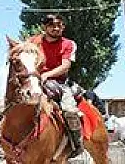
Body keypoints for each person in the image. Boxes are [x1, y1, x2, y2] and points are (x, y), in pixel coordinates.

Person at [30, 14, 84, 156]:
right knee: (1, 108)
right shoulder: (33, 42)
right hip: (35, 82)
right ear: (44, 27)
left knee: (70, 112)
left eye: (59, 25)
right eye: (52, 25)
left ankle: (76, 144)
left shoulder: (69, 44)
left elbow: (65, 66)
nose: (56, 28)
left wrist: (47, 74)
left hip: (60, 83)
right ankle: (4, 143)